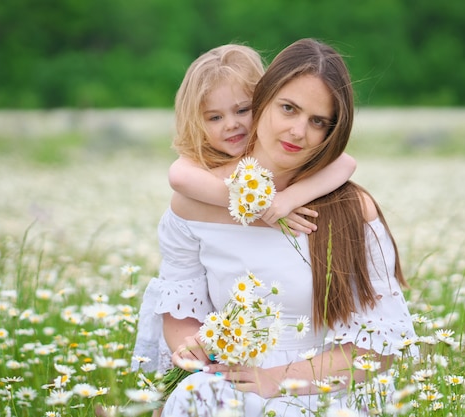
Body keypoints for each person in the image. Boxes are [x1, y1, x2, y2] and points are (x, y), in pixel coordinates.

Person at [154, 38, 418, 416]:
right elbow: (181, 313)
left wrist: (276, 380)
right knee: (198, 399)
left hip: (322, 387)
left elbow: (376, 350)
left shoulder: (351, 211)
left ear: (332, 132)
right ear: (263, 100)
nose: (298, 132)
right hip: (227, 379)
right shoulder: (196, 203)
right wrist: (191, 348)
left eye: (318, 122)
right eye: (288, 109)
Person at [132, 43, 357, 374]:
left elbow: (346, 163)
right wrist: (260, 208)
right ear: (197, 121)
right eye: (215, 117)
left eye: (242, 110)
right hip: (217, 344)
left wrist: (286, 201)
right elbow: (177, 176)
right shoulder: (203, 167)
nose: (232, 125)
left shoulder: (278, 157)